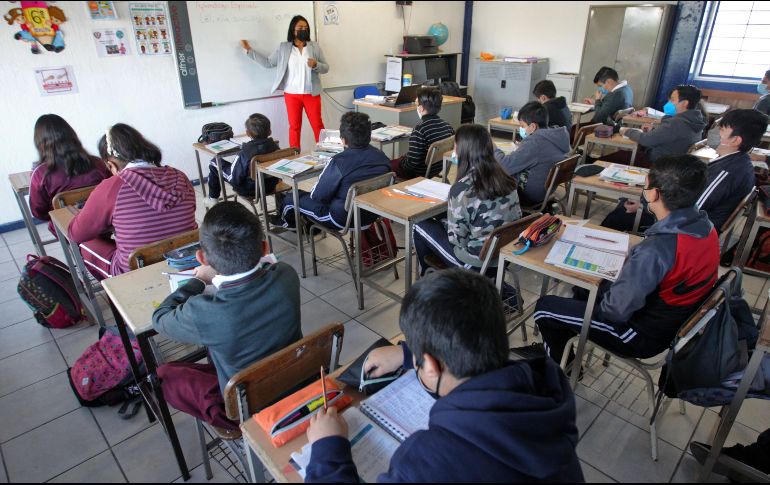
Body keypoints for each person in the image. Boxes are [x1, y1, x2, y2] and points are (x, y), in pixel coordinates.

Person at [304, 268, 584, 482]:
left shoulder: (426, 462)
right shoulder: (544, 395)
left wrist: (327, 448)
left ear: (431, 365)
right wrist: (408, 355)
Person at [531, 154, 719, 365]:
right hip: (671, 322)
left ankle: (561, 370)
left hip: (638, 334)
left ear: (654, 194)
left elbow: (614, 311)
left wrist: (610, 283)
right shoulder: (706, 228)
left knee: (545, 308)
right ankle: (564, 348)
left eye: (645, 187)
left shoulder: (656, 249)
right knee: (582, 291)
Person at [153, 202, 302, 431]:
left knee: (165, 375)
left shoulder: (203, 313)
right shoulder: (286, 275)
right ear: (264, 248)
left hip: (248, 409)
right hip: (298, 381)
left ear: (201, 258)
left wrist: (198, 281)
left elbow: (160, 318)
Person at [602, 109, 765, 233]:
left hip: (684, 230)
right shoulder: (735, 162)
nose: (714, 132)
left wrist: (649, 207)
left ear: (735, 140)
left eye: (721, 129)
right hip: (686, 221)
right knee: (630, 203)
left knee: (619, 216)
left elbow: (692, 212)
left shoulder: (727, 172)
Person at [68, 124, 197, 279]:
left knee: (86, 245)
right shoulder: (180, 176)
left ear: (111, 164)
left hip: (134, 271)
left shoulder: (112, 187)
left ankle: (114, 290)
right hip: (186, 259)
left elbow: (76, 234)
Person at [414, 124, 522, 273]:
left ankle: (428, 277)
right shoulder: (507, 179)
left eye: (455, 147)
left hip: (474, 264)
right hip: (503, 257)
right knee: (441, 220)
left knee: (419, 224)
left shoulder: (461, 189)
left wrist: (445, 224)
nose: (453, 152)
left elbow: (458, 241)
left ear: (463, 151)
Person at [273, 112, 390, 230]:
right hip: (372, 214)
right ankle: (306, 222)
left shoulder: (338, 162)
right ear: (369, 136)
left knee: (291, 198)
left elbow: (317, 196)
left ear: (343, 140)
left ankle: (287, 223)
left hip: (340, 219)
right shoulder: (382, 156)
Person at [241, 15, 328, 149]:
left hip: (311, 94)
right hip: (291, 95)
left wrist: (316, 64)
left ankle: (326, 153)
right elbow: (268, 63)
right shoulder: (284, 48)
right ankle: (294, 155)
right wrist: (249, 51)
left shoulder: (314, 47)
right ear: (293, 29)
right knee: (294, 127)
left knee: (318, 126)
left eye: (306, 27)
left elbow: (326, 68)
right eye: (300, 27)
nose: (303, 30)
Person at [28, 114, 110, 236]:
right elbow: (112, 192)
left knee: (56, 221)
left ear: (40, 143)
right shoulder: (98, 163)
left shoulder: (40, 174)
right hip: (105, 223)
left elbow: (38, 212)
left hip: (68, 229)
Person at [494, 101, 570, 206]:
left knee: (491, 172)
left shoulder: (535, 142)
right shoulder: (556, 136)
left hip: (529, 195)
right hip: (545, 190)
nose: (521, 129)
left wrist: (494, 149)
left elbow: (504, 166)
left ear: (533, 126)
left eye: (522, 126)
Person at [618, 85, 707, 163]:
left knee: (618, 156)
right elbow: (672, 136)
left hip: (659, 164)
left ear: (684, 103)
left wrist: (626, 131)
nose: (669, 102)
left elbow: (646, 140)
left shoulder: (677, 123)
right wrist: (654, 131)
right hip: (674, 163)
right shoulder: (695, 120)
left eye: (672, 100)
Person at [206, 113, 280, 206]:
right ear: (270, 131)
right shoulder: (276, 148)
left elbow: (234, 178)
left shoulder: (245, 153)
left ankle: (213, 199)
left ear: (247, 133)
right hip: (271, 186)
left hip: (249, 190)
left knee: (214, 162)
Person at [390, 87, 455, 180]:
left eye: (417, 104)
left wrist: (401, 163)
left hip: (419, 173)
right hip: (437, 169)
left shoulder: (419, 130)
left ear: (420, 108)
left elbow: (411, 164)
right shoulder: (447, 126)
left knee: (388, 165)